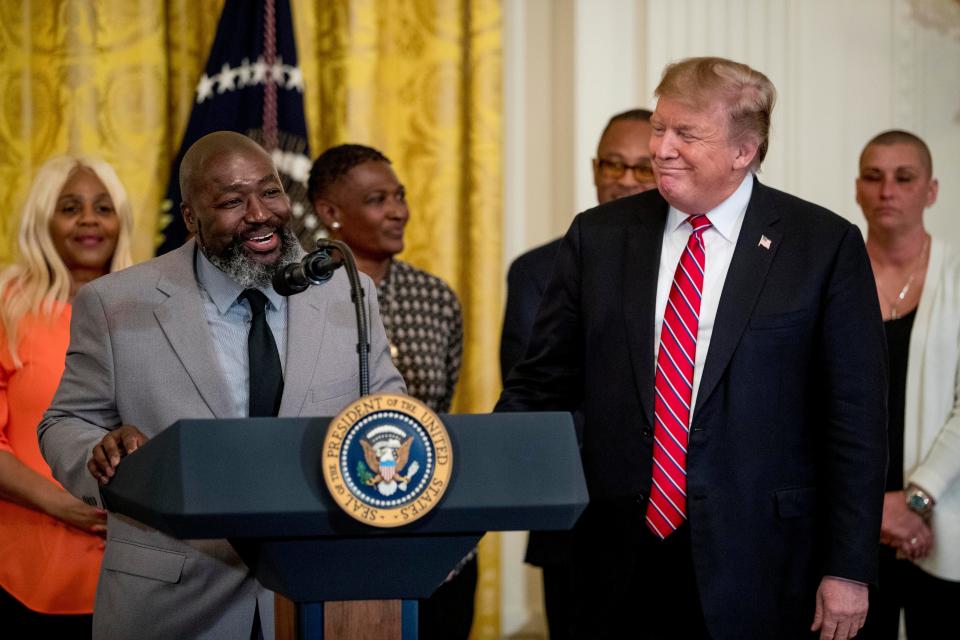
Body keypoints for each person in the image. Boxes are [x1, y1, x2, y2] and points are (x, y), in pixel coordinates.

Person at [496, 56, 888, 640]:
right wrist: (477, 482)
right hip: (616, 559)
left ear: (743, 150)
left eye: (687, 134)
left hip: (764, 562)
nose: (662, 148)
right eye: (660, 127)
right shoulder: (600, 237)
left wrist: (849, 568)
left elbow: (855, 422)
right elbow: (540, 386)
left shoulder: (822, 247)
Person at [38, 132, 405, 640]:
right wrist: (99, 454)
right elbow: (66, 420)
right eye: (233, 201)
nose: (259, 213)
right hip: (172, 599)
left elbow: (391, 411)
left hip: (322, 594)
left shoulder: (346, 290)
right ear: (190, 218)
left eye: (270, 192)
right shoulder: (116, 302)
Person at [499, 108, 655, 640]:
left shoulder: (697, 264)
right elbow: (535, 396)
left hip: (677, 523)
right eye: (614, 164)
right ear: (594, 169)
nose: (626, 179)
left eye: (643, 167)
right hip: (576, 519)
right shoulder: (537, 271)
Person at [308, 143, 469, 639]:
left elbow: (440, 411)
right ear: (331, 213)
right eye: (379, 199)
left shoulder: (436, 298)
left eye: (399, 195)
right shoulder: (292, 296)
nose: (399, 210)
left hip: (426, 529)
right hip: (324, 531)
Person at [0, 156, 133, 636]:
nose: (90, 220)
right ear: (43, 220)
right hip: (28, 570)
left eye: (103, 207)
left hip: (142, 573)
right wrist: (64, 506)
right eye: (70, 207)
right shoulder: (9, 308)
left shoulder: (152, 307)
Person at [854, 130, 960, 639]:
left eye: (904, 177)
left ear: (932, 190)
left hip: (942, 516)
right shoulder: (834, 273)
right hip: (849, 517)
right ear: (857, 189)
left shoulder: (957, 275)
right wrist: (868, 507)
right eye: (874, 177)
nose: (887, 191)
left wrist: (915, 499)